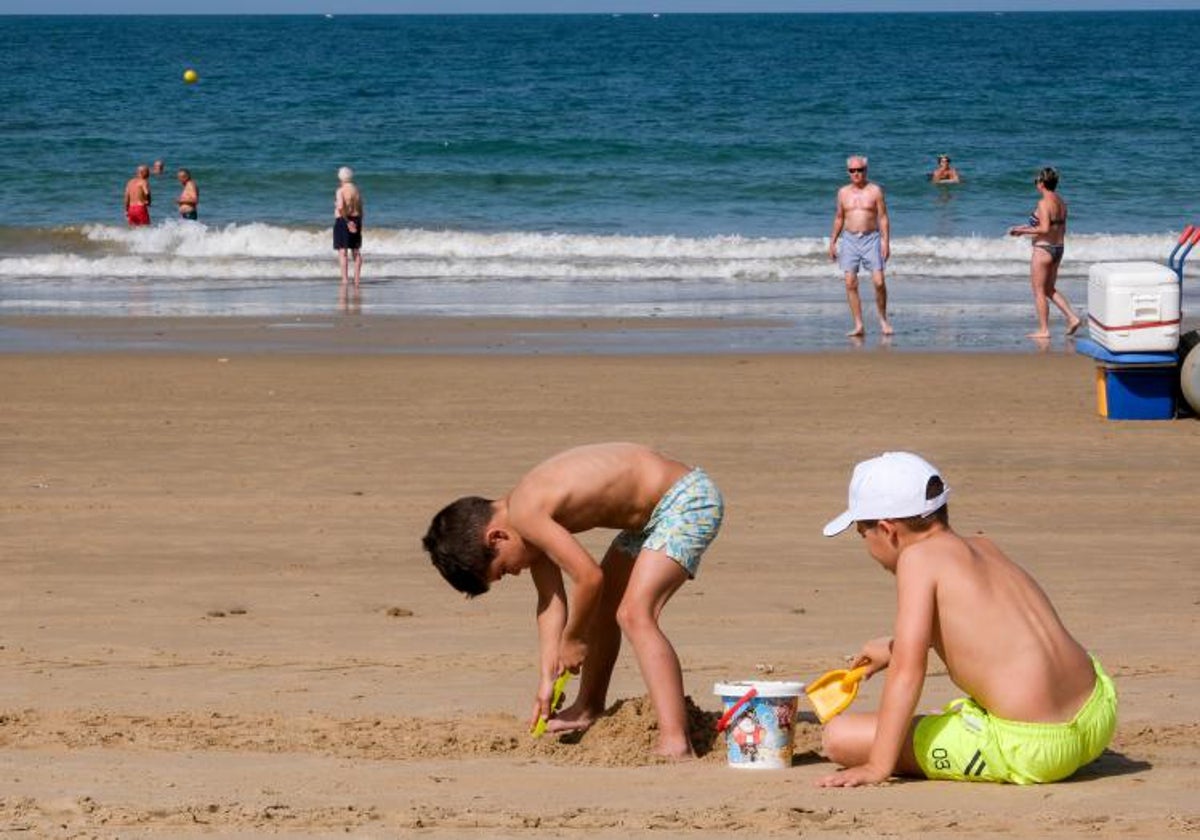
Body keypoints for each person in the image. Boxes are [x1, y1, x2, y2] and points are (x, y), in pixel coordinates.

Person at [816, 452, 1117, 787]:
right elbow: (983, 624)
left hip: (1036, 746)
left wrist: (878, 766)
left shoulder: (917, 559)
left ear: (888, 530)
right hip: (1096, 713)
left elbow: (908, 671)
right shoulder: (983, 546)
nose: (867, 547)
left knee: (839, 736)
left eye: (862, 534)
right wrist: (895, 645)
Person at [422, 442, 725, 759]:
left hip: (687, 501)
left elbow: (589, 577)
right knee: (603, 608)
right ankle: (589, 706)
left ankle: (676, 741)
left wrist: (575, 638)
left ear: (496, 537)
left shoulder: (527, 512)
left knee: (634, 614)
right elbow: (550, 602)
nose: (514, 573)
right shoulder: (522, 521)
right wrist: (547, 679)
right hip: (649, 519)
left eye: (503, 569)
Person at [1009, 167, 1082, 339]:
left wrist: (1021, 231)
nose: (1036, 184)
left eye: (1036, 181)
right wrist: (1025, 228)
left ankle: (1043, 330)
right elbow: (1055, 227)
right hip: (1058, 248)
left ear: (1042, 183)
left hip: (1043, 249)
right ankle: (1072, 318)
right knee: (1049, 289)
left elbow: (1043, 228)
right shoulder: (1061, 202)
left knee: (1039, 291)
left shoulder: (1043, 203)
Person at [830, 155, 893, 337]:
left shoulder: (875, 191)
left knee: (879, 282)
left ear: (866, 170)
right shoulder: (843, 192)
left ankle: (883, 320)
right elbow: (839, 217)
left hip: (871, 239)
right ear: (848, 172)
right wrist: (833, 241)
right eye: (852, 171)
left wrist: (885, 242)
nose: (856, 173)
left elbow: (882, 218)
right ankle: (859, 325)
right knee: (850, 283)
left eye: (860, 170)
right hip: (849, 239)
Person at [333, 166, 363, 289]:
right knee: (356, 251)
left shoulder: (340, 190)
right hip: (357, 219)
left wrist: (347, 221)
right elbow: (361, 208)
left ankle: (345, 279)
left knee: (343, 251)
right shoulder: (356, 190)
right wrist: (356, 223)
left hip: (343, 220)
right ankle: (356, 280)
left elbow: (340, 207)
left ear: (340, 177)